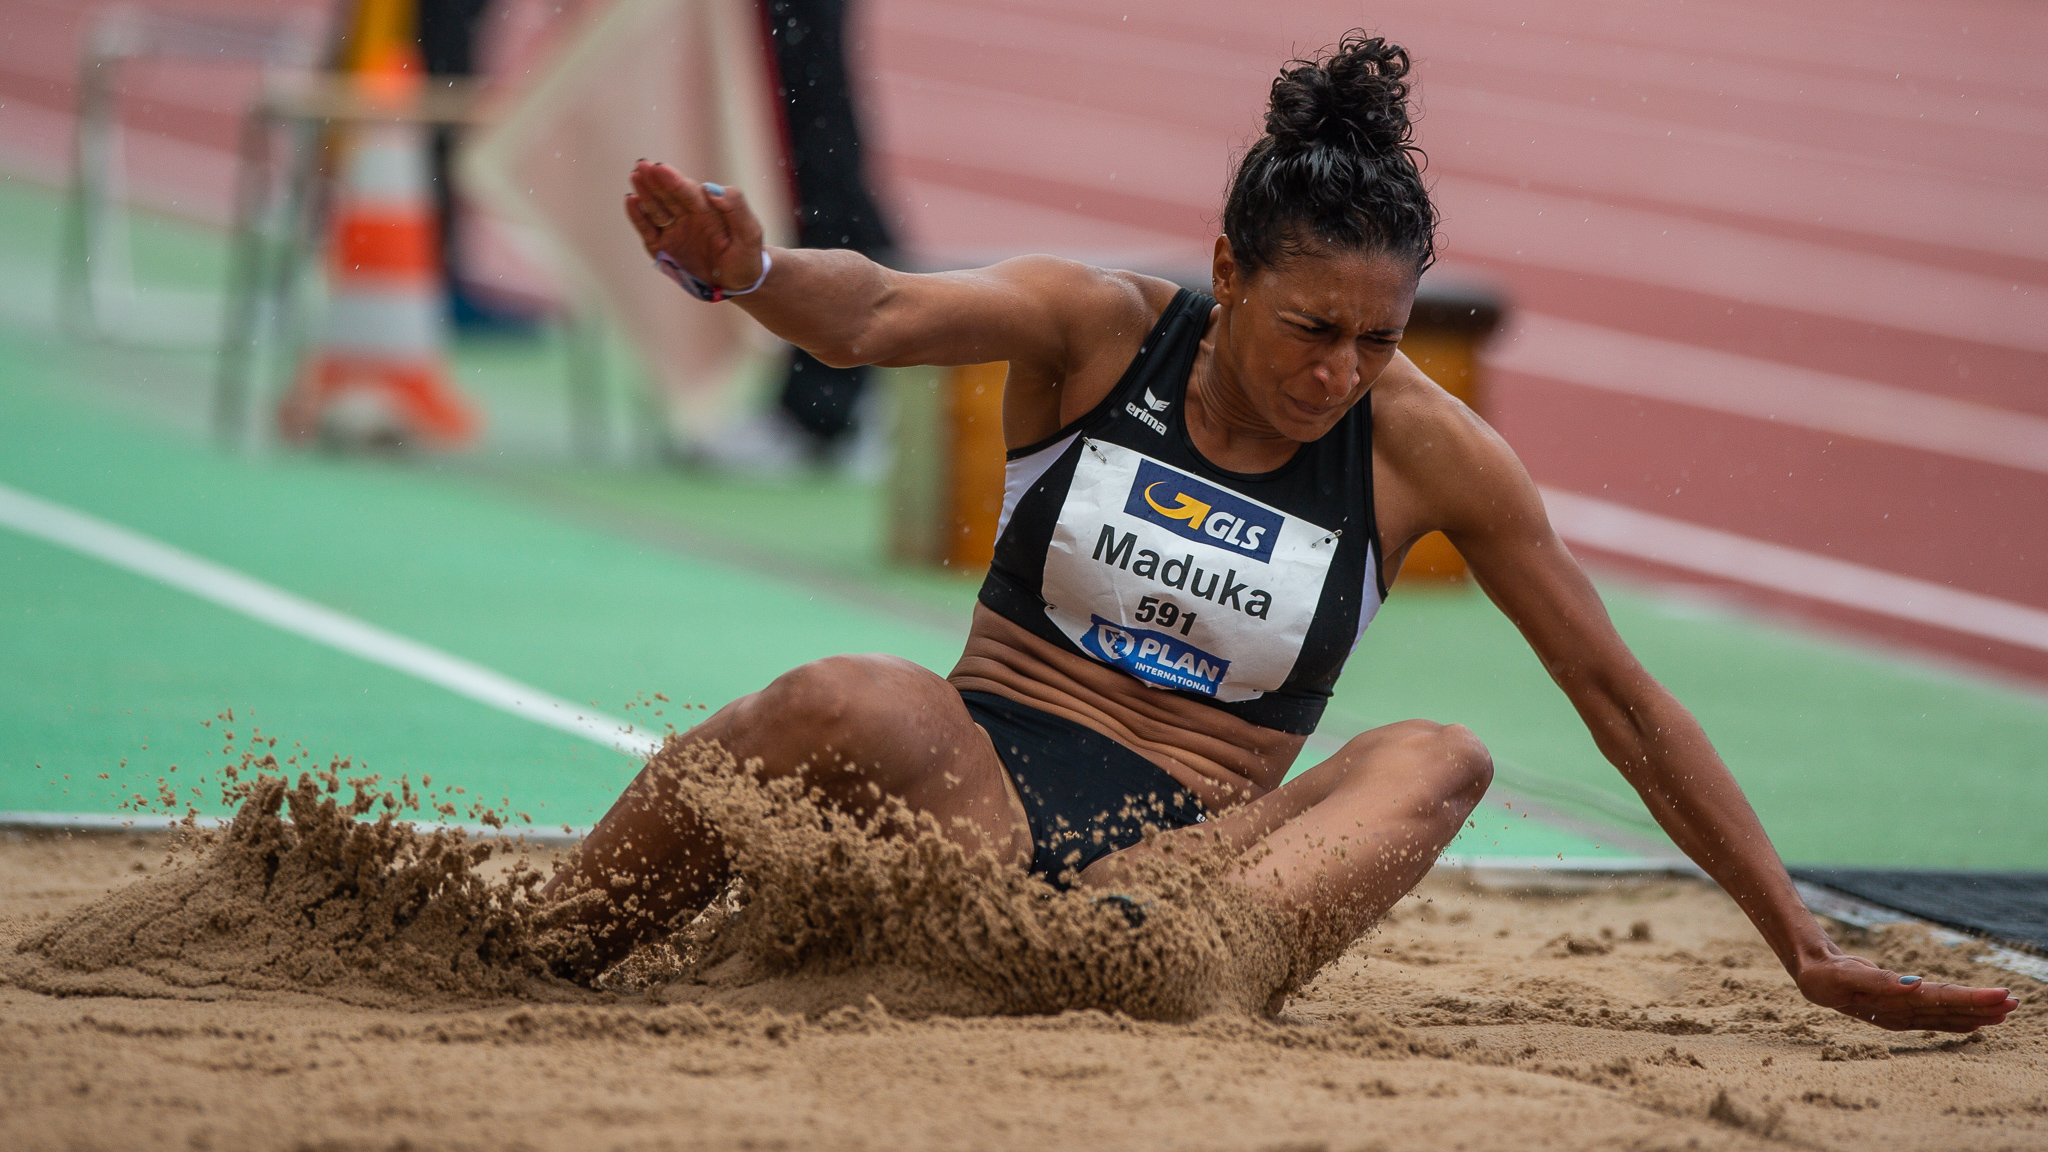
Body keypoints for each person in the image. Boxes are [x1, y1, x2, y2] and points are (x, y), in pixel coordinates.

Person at [549, 33, 2017, 1034]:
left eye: (1377, 341)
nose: (1339, 372)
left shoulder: (1431, 452)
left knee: (1441, 753)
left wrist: (1800, 943)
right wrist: (745, 274)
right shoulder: (1098, 330)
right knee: (838, 695)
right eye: (1312, 328)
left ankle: (1174, 975)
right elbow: (871, 311)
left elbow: (1619, 698)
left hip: (1198, 872)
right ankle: (540, 947)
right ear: (1227, 272)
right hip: (977, 806)